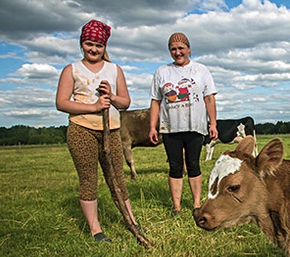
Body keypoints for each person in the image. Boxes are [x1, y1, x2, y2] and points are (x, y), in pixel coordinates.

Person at [56, 19, 139, 242]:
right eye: (89, 44)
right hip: (82, 130)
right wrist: (93, 107)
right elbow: (61, 102)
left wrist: (111, 96)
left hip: (110, 131)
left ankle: (131, 220)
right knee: (88, 179)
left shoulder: (114, 70)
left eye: (99, 45)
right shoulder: (72, 70)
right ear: (82, 43)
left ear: (105, 47)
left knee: (117, 179)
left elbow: (125, 103)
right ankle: (96, 230)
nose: (94, 49)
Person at [148, 32, 218, 216]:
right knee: (175, 166)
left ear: (188, 49)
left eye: (181, 48)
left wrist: (213, 124)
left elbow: (209, 98)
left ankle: (196, 205)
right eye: (173, 49)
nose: (177, 52)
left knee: (194, 164)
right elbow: (155, 101)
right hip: (170, 127)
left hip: (195, 125)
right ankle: (177, 207)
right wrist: (152, 127)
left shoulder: (201, 70)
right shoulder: (162, 72)